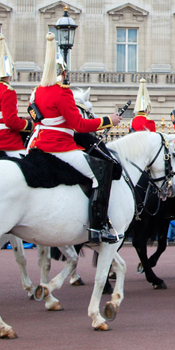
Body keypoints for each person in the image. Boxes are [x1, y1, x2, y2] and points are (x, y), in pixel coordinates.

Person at [27, 34, 122, 243]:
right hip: (60, 148)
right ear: (62, 73)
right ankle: (99, 227)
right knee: (102, 172)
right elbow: (79, 125)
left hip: (36, 146)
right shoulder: (62, 93)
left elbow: (36, 121)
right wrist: (109, 120)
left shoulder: (36, 93)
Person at [0, 34, 32, 157]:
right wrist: (29, 125)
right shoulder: (8, 91)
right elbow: (10, 122)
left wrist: (21, 118)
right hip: (5, 139)